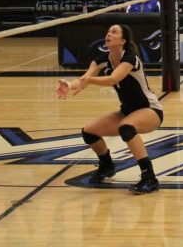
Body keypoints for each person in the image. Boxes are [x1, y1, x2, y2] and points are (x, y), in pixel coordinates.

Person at [56, 24, 164, 194]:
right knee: (89, 131)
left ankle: (149, 178)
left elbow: (113, 79)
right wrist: (69, 85)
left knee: (126, 128)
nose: (109, 34)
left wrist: (90, 80)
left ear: (123, 40)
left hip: (151, 110)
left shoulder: (130, 58)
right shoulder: (101, 59)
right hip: (127, 111)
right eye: (108, 32)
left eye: (114, 32)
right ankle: (107, 166)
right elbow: (85, 78)